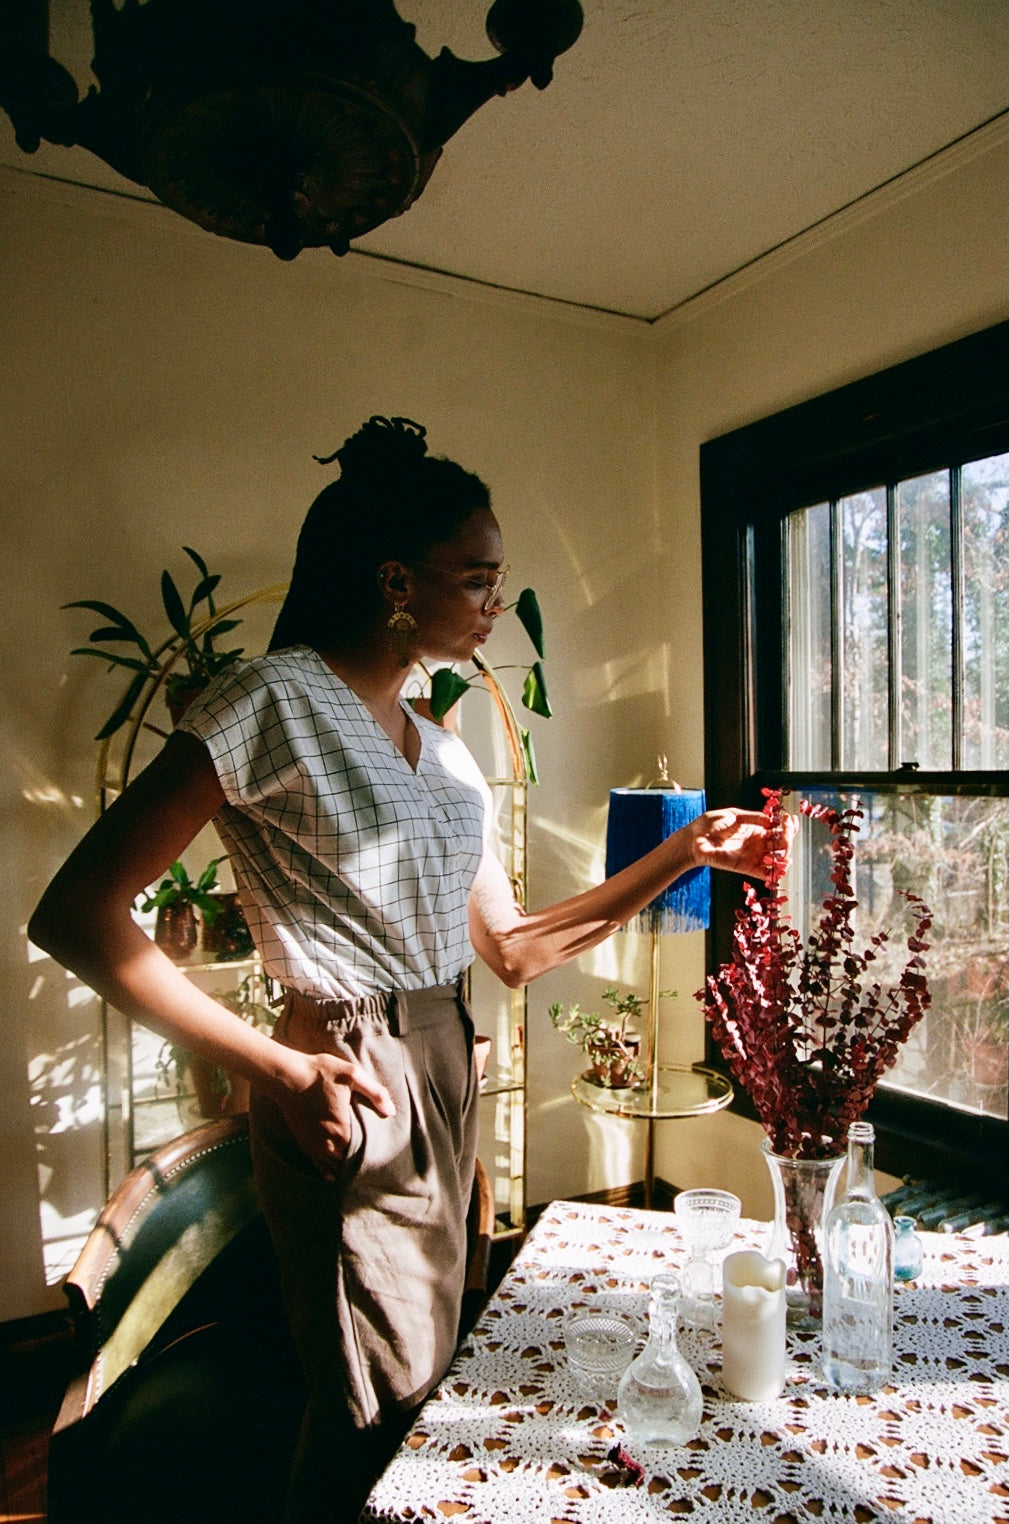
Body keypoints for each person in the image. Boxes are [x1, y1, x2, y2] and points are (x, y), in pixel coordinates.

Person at [29, 415, 779, 1523]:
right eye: (476, 578)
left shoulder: (442, 741)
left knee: (424, 1379)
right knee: (371, 1400)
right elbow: (77, 914)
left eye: (498, 578)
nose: (492, 603)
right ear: (395, 581)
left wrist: (682, 851)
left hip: (445, 1054)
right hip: (346, 1071)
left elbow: (513, 949)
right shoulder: (267, 700)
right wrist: (281, 1072)